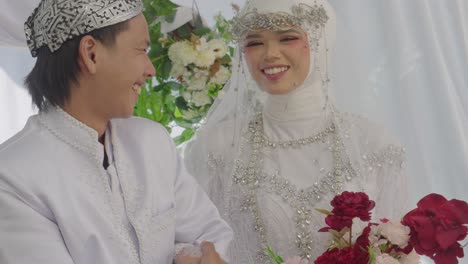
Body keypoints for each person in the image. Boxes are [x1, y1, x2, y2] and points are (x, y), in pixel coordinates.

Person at [0, 1, 232, 263]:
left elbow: (210, 234)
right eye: (141, 50)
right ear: (91, 54)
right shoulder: (13, 177)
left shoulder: (152, 141)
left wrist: (192, 255)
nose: (151, 69)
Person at [184, 0, 408, 263]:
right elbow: (193, 243)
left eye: (287, 38)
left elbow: (397, 249)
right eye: (255, 42)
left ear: (320, 40)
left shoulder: (374, 144)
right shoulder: (218, 148)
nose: (270, 54)